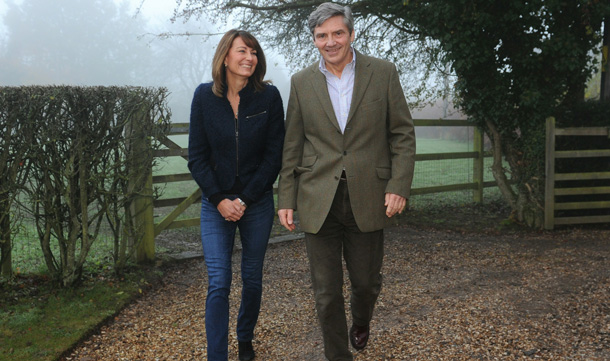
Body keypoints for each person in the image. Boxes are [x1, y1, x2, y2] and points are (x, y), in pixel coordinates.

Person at [277, 3, 416, 361]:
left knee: (366, 283)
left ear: (351, 34)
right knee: (325, 293)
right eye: (322, 36)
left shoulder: (382, 73)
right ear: (314, 40)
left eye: (338, 33)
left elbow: (402, 133)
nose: (331, 41)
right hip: (316, 197)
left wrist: (398, 185)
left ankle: (361, 319)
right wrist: (286, 198)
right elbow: (293, 144)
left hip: (369, 196)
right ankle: (338, 356)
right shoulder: (301, 81)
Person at [188, 29, 285, 361]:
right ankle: (217, 355)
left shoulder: (268, 97)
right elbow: (197, 156)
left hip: (256, 203)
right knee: (219, 282)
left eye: (254, 52)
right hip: (215, 204)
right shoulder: (204, 96)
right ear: (225, 57)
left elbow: (274, 156)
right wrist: (218, 199)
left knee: (252, 277)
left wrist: (244, 199)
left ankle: (245, 337)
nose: (249, 58)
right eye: (242, 51)